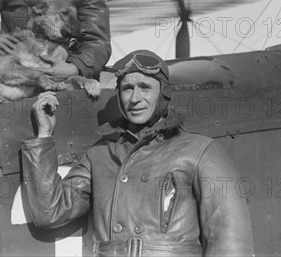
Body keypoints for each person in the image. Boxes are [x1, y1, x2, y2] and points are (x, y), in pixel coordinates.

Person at [21, 50, 254, 256]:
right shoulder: (100, 154)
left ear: (163, 93)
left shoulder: (200, 151)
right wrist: (44, 134)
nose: (135, 99)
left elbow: (230, 241)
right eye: (127, 88)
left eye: (145, 87)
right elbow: (49, 212)